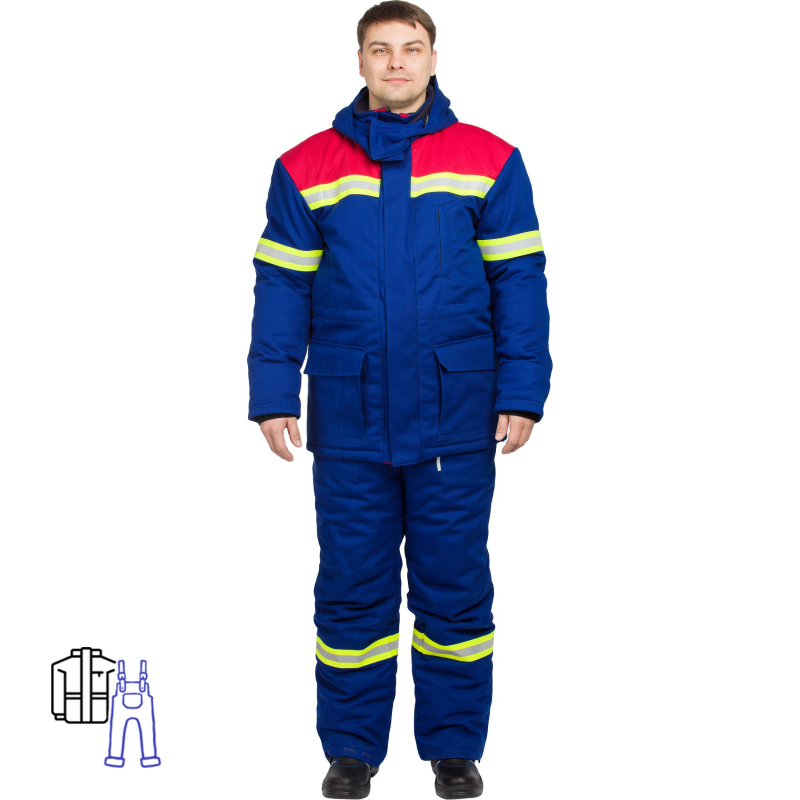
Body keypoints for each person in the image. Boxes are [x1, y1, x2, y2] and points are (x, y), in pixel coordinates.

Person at [247, 2, 552, 797]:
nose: (395, 63)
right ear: (359, 61)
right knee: (352, 587)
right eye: (379, 49)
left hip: (457, 410)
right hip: (349, 414)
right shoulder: (304, 166)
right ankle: (352, 750)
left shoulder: (490, 159)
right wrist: (273, 391)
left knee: (454, 585)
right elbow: (282, 285)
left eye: (410, 49)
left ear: (433, 58)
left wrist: (523, 389)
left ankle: (454, 748)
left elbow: (519, 281)